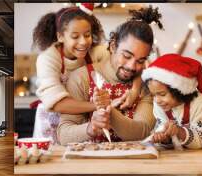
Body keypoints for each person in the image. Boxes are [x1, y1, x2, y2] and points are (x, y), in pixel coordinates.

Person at [32, 4, 142, 143]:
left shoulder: (95, 52)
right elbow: (57, 104)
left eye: (87, 35)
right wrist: (101, 105)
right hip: (53, 121)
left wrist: (135, 90)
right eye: (75, 36)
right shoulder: (48, 58)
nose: (83, 42)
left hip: (81, 122)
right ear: (60, 36)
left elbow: (135, 59)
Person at [58, 6, 164, 145]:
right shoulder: (81, 78)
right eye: (126, 56)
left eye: (140, 61)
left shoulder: (145, 85)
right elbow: (63, 135)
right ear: (113, 46)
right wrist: (90, 128)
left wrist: (108, 111)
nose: (132, 66)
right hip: (89, 164)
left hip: (134, 163)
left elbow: (142, 131)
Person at [141, 54, 202, 149]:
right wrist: (163, 138)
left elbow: (200, 140)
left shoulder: (199, 102)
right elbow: (161, 130)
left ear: (178, 90)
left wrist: (179, 131)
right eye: (153, 95)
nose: (157, 100)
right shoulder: (160, 104)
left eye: (162, 94)